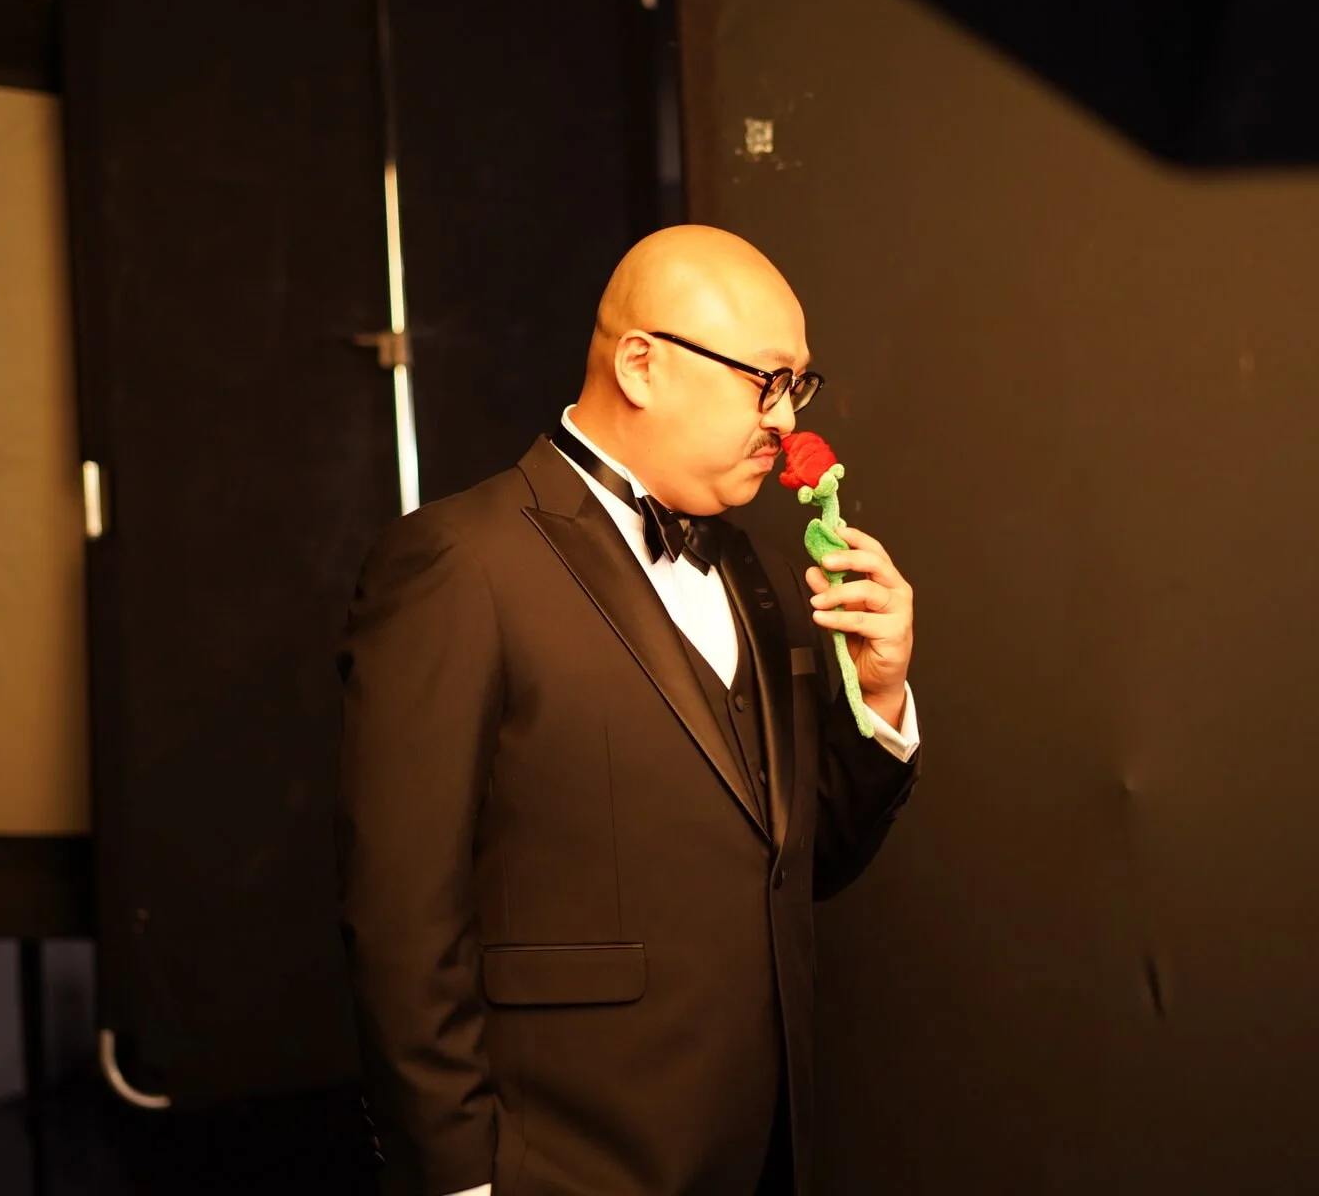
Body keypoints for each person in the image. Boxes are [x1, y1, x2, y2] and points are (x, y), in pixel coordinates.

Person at [336, 225, 921, 1195]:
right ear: (641, 365)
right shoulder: (460, 563)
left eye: (798, 386)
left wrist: (882, 693)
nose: (786, 420)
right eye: (766, 380)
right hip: (560, 1164)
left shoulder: (768, 577)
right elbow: (402, 914)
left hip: (764, 1153)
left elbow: (798, 865)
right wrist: (456, 1178)